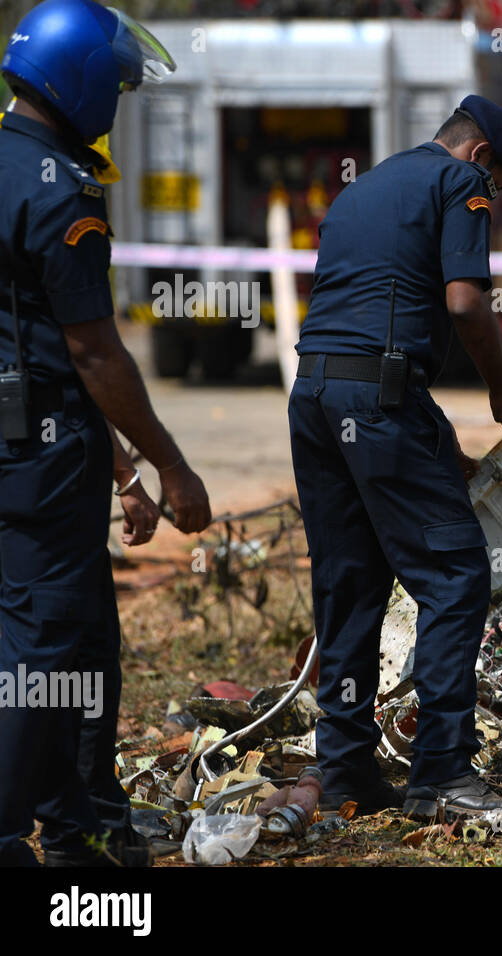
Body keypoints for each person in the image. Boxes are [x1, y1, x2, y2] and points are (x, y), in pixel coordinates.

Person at [0, 0, 211, 867]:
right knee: (46, 647)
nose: (117, 106)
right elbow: (91, 353)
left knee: (70, 637)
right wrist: (170, 465)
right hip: (40, 458)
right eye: (115, 88)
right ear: (79, 80)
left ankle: (82, 822)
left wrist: (120, 476)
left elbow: (36, 339)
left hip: (33, 445)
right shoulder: (61, 191)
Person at [289, 95, 502, 820]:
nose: (489, 199)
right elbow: (465, 304)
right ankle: (443, 774)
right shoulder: (460, 184)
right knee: (457, 575)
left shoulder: (363, 186)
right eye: (495, 185)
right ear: (480, 157)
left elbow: (366, 329)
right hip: (377, 402)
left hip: (315, 397)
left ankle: (342, 770)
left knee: (349, 582)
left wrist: (432, 441)